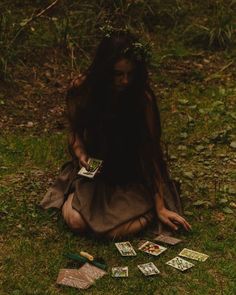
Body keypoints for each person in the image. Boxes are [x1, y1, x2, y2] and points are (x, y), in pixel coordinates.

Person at [40, 29, 191, 239]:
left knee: (110, 230)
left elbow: (151, 151)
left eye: (130, 74)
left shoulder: (142, 98)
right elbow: (74, 133)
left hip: (130, 173)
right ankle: (102, 211)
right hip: (96, 169)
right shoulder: (82, 89)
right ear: (104, 71)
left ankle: (144, 213)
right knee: (76, 222)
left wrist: (160, 205)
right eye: (118, 74)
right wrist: (81, 153)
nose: (125, 81)